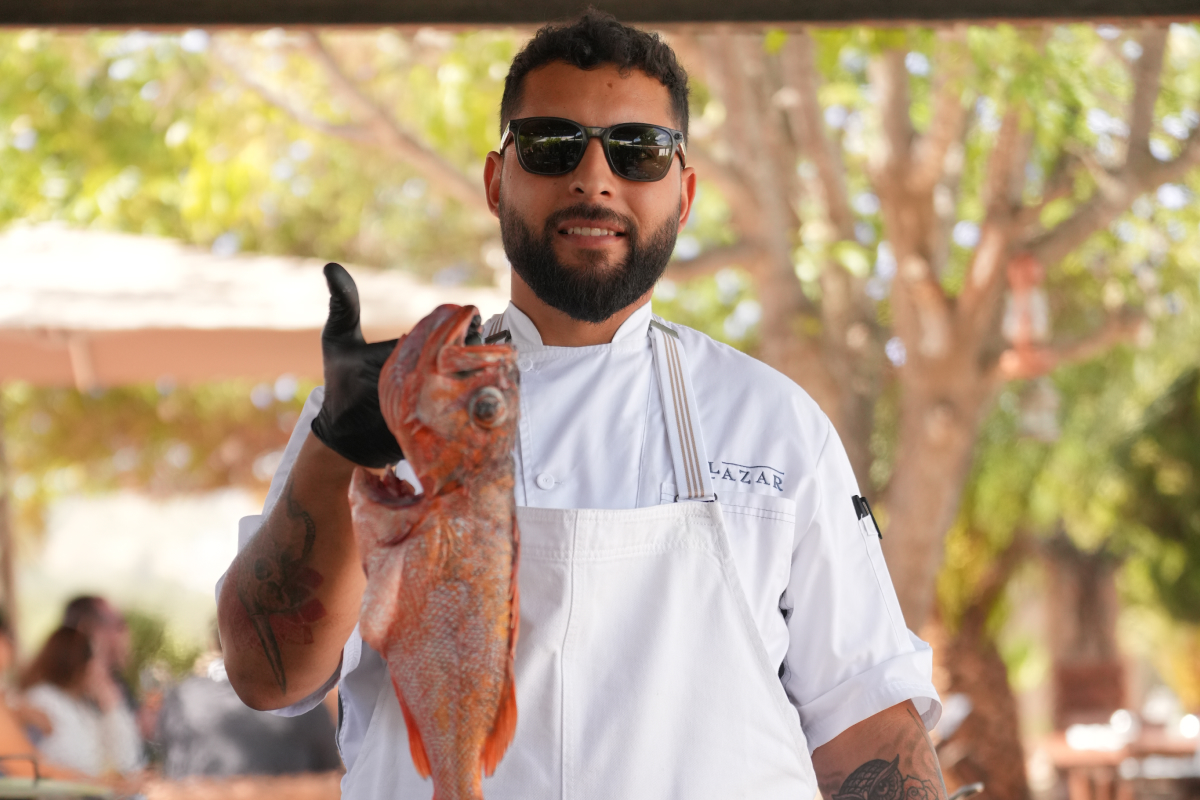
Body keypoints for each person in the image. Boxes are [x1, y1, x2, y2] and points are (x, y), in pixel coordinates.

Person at [217, 12, 945, 799]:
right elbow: (270, 677)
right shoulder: (388, 402)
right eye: (552, 145)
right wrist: (335, 449)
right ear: (499, 181)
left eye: (639, 151)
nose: (594, 178)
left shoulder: (775, 425)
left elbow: (867, 727)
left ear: (684, 192)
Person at [157, 627, 341, 777]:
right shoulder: (305, 701)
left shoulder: (182, 696)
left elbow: (169, 759)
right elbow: (329, 771)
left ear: (217, 644)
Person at [19, 626, 143, 778]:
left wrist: (111, 707)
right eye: (97, 659)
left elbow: (127, 761)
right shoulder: (42, 699)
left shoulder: (82, 704)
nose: (102, 668)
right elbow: (82, 763)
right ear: (79, 663)